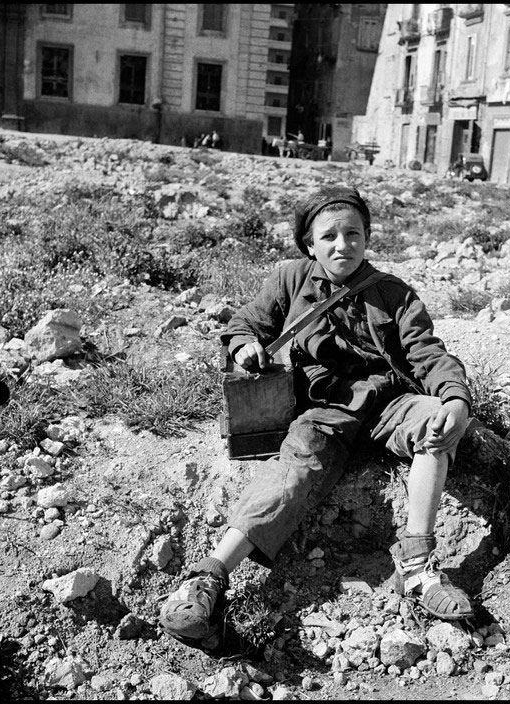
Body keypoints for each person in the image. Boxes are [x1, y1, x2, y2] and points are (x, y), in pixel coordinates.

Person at [158, 186, 473, 650]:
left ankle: (418, 570)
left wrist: (454, 399)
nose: (342, 245)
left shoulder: (394, 294)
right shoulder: (290, 279)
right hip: (323, 411)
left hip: (389, 402)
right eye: (329, 236)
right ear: (309, 244)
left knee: (435, 427)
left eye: (353, 234)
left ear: (367, 238)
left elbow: (428, 354)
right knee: (292, 473)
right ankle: (207, 579)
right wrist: (245, 345)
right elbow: (247, 323)